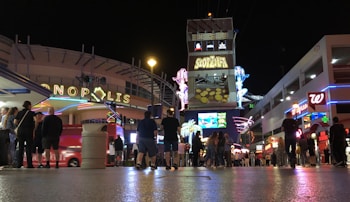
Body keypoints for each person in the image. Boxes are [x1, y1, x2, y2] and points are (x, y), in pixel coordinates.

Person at [14, 101, 36, 168]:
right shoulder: (32, 113)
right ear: (29, 106)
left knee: (21, 147)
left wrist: (21, 126)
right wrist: (34, 129)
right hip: (28, 132)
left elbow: (15, 121)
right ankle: (29, 164)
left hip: (21, 131)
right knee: (28, 148)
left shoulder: (19, 113)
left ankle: (19, 164)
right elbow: (36, 121)